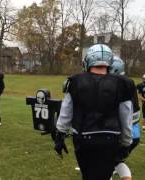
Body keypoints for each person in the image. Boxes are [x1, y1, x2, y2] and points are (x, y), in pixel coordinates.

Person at [54, 44, 133, 180]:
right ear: (109, 62)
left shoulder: (75, 81)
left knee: (88, 176)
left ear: (89, 60)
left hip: (83, 139)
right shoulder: (122, 83)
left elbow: (66, 112)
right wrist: (126, 142)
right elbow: (126, 116)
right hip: (110, 138)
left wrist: (59, 135)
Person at [109, 56, 140, 180]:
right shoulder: (129, 82)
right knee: (117, 162)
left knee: (107, 164)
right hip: (134, 133)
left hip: (122, 133)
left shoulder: (117, 84)